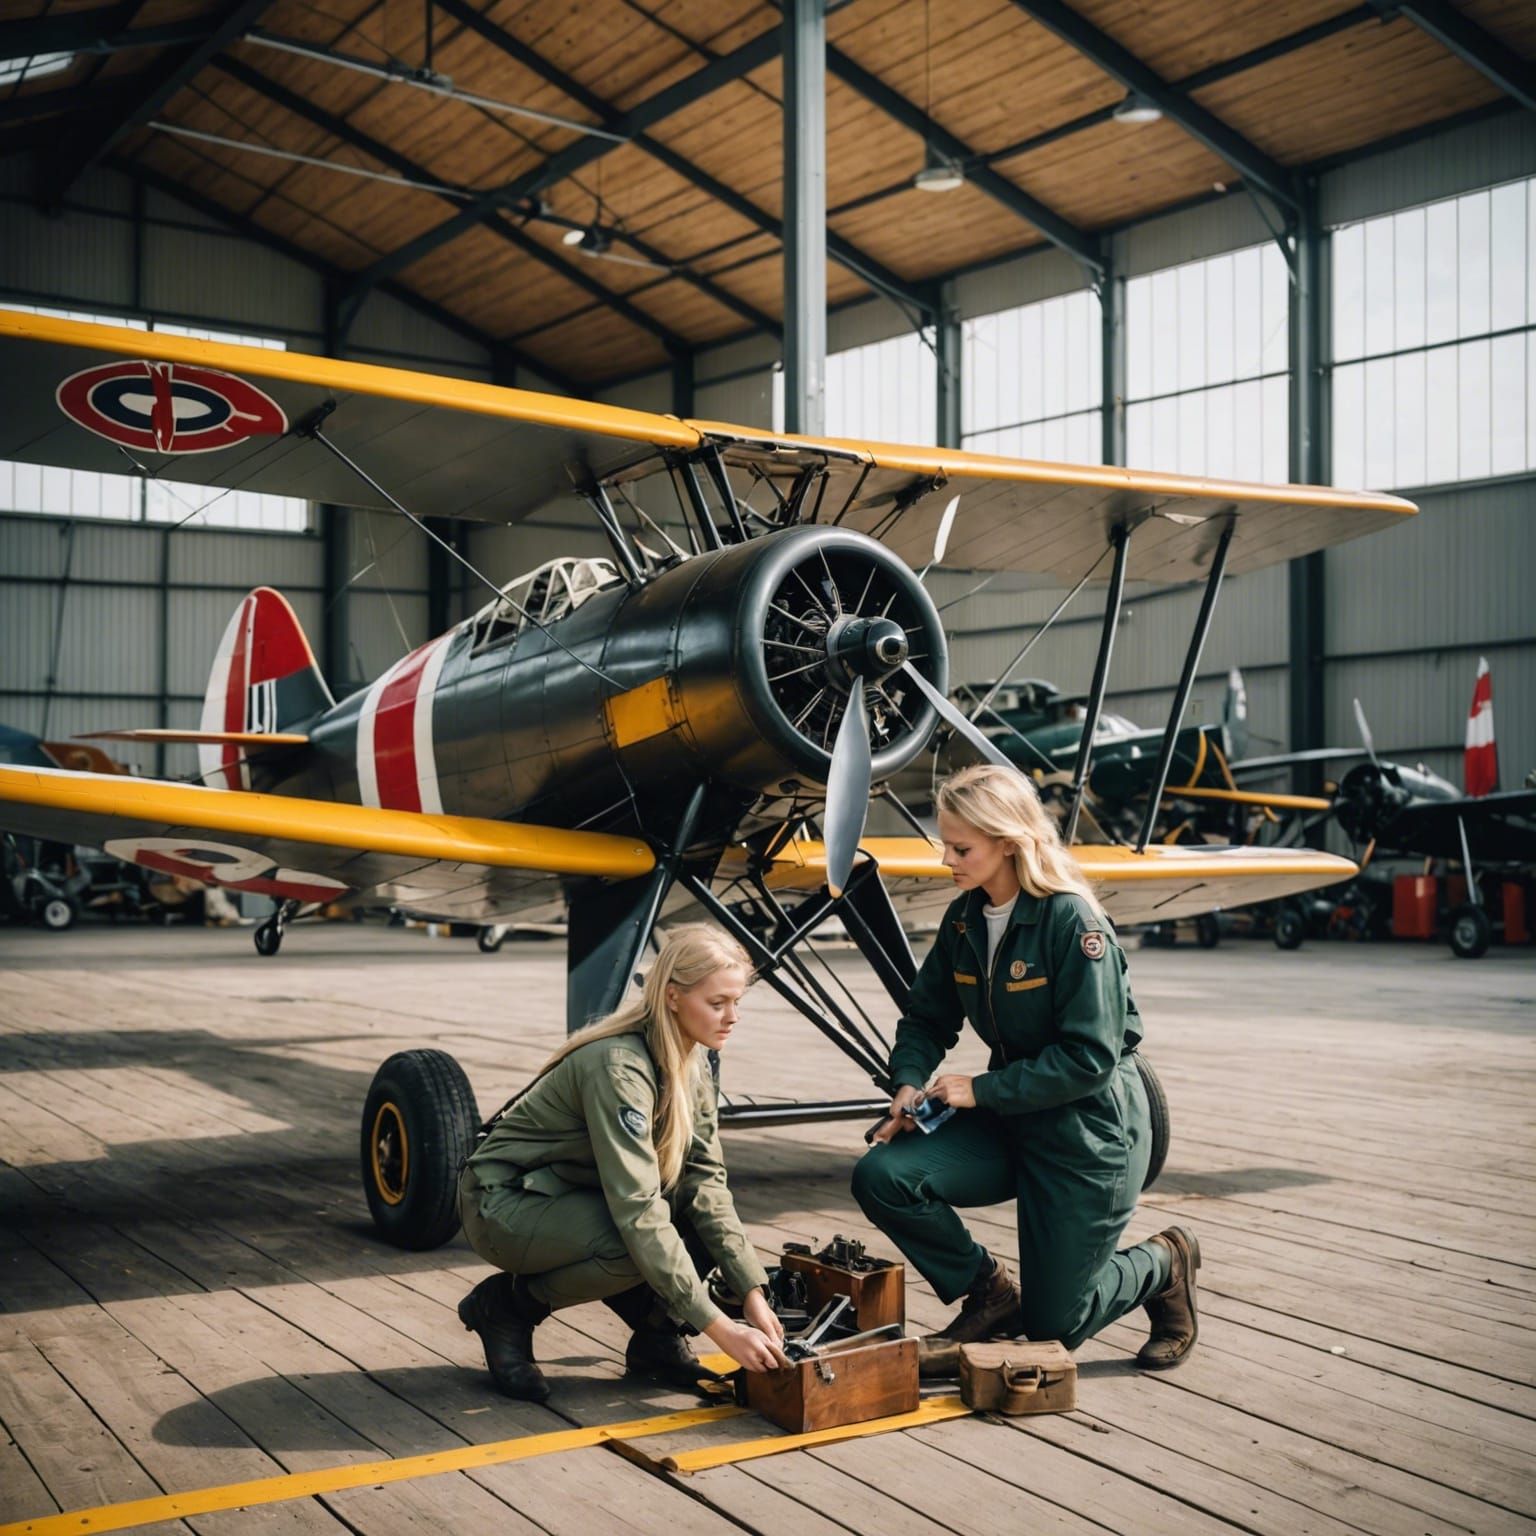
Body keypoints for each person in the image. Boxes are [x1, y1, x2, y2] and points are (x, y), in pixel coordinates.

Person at [852, 764, 1199, 1368]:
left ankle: (1166, 1261)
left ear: (1009, 844)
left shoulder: (1073, 923)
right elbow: (927, 1016)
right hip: (1013, 1117)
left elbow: (1089, 1059)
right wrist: (908, 1083)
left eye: (961, 848)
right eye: (946, 844)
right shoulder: (965, 918)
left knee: (1056, 1328)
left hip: (1087, 1134)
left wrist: (978, 1090)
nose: (946, 860)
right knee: (883, 1176)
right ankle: (990, 1295)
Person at [457, 924, 791, 1400]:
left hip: (570, 1190)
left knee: (693, 1213)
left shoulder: (690, 1058)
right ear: (673, 997)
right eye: (717, 1003)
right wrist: (722, 1330)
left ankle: (656, 1337)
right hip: (505, 1204)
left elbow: (705, 1181)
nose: (732, 1017)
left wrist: (753, 1293)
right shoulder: (619, 1067)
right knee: (631, 1241)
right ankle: (508, 1307)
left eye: (737, 1002)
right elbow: (637, 1210)